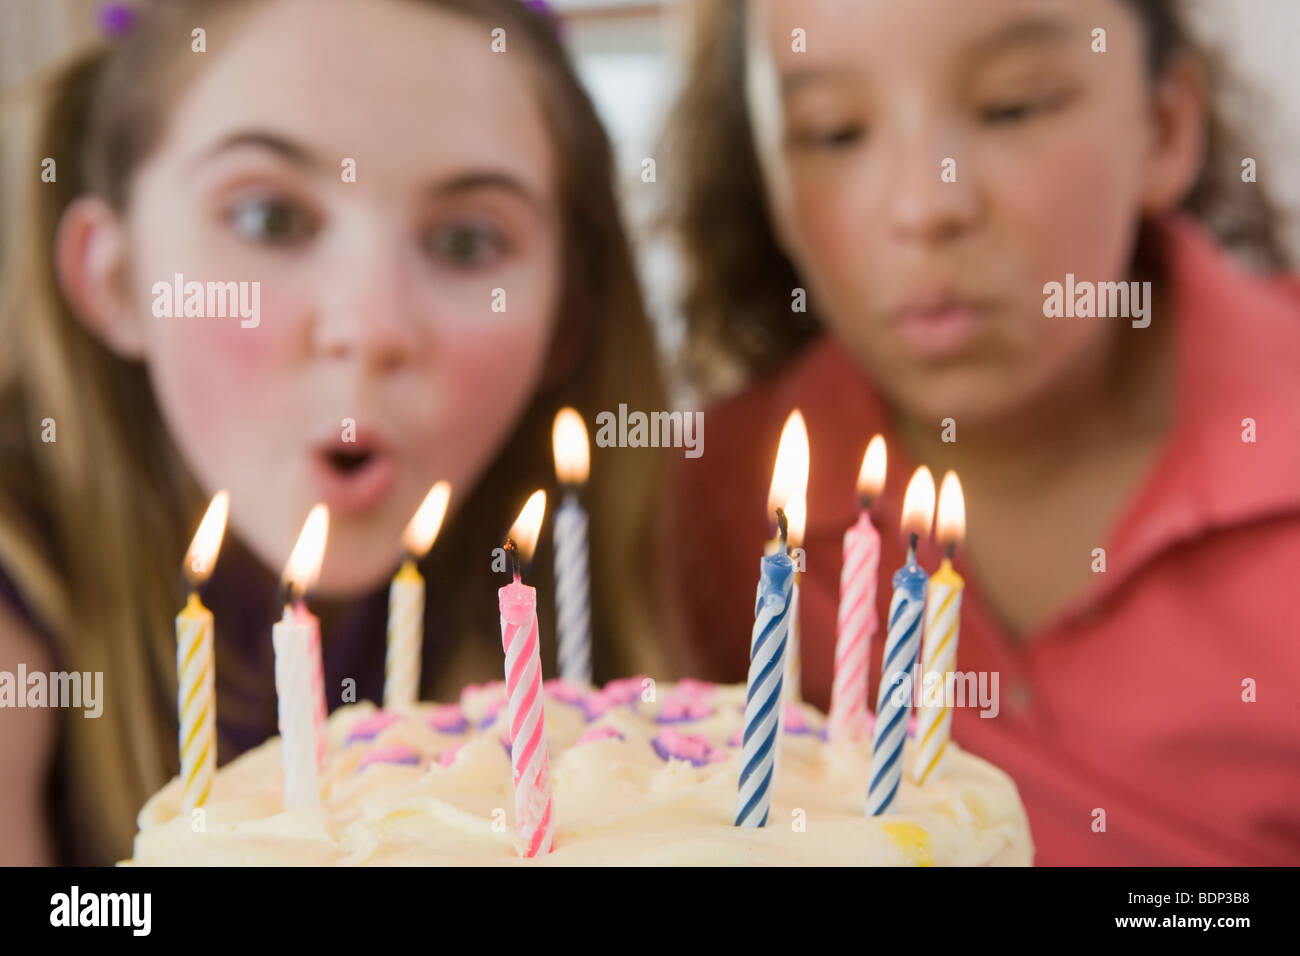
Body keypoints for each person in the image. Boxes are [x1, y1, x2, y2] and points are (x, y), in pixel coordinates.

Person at [0, 0, 665, 865]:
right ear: (116, 279)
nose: (371, 324)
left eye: (466, 242)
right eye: (271, 219)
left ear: (564, 321)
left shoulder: (611, 589)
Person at [661, 0, 1300, 864]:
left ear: (1163, 127)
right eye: (836, 131)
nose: (927, 205)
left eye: (1013, 106)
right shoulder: (694, 511)